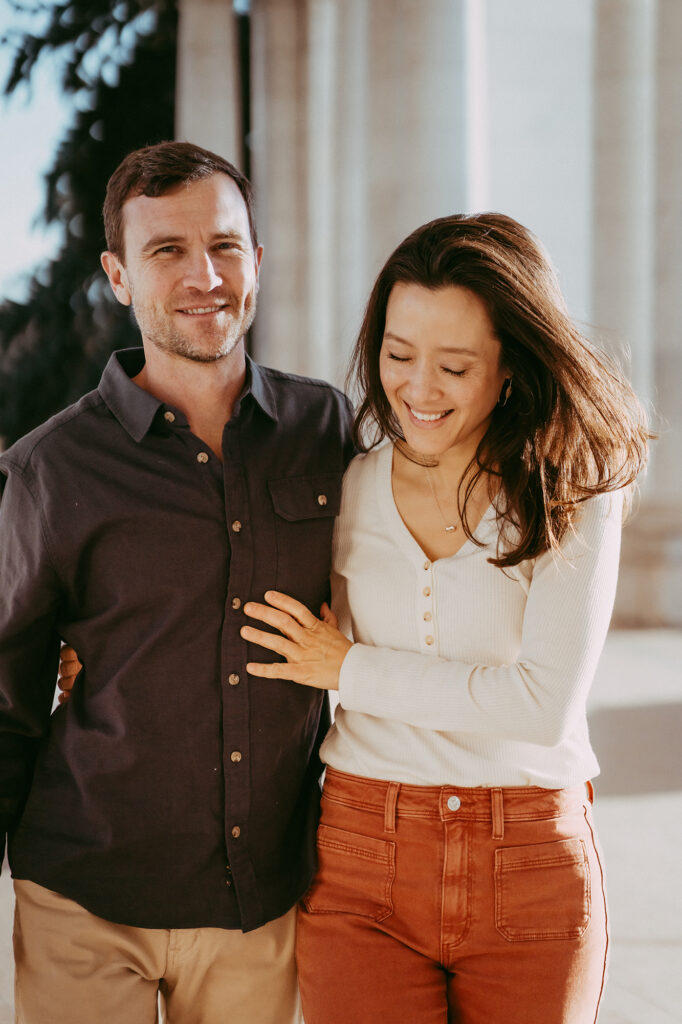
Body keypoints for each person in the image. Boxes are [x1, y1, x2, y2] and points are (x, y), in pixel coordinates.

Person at [236, 213, 651, 1023]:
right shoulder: (343, 488)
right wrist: (88, 651)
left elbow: (542, 705)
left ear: (508, 369)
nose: (418, 391)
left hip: (530, 861)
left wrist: (348, 669)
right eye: (398, 357)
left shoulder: (574, 490)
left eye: (454, 366)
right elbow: (235, 601)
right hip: (360, 852)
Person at [0, 141, 354, 1024]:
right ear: (119, 276)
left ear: (257, 261)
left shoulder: (325, 428)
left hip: (259, 901)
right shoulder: (50, 467)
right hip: (86, 895)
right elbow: (4, 694)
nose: (205, 275)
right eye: (167, 251)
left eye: (226, 246)